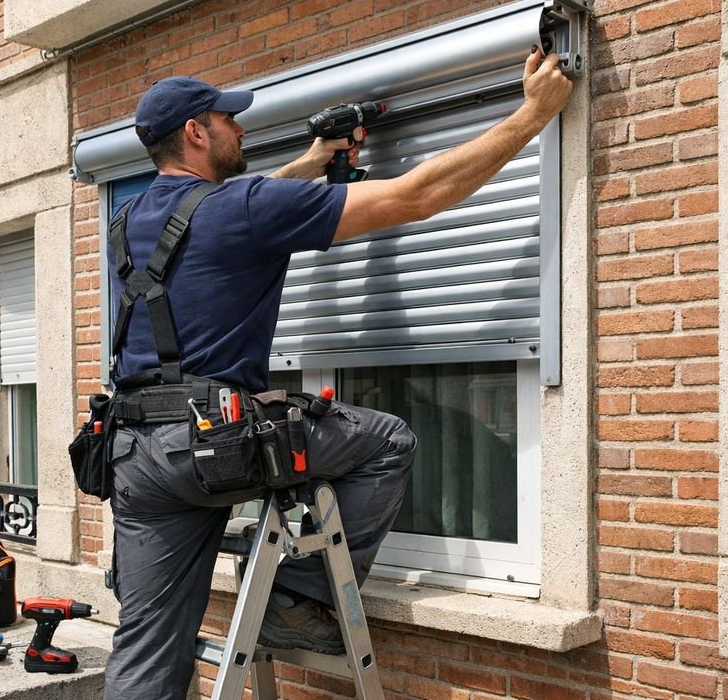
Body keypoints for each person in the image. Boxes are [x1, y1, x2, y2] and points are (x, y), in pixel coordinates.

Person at [103, 49, 573, 700]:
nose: (242, 131)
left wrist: (315, 162)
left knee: (146, 652)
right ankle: (296, 596)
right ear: (196, 132)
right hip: (210, 445)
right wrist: (534, 113)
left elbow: (226, 211)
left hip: (133, 454)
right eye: (229, 121)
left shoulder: (129, 223)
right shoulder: (242, 207)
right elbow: (419, 195)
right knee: (387, 441)